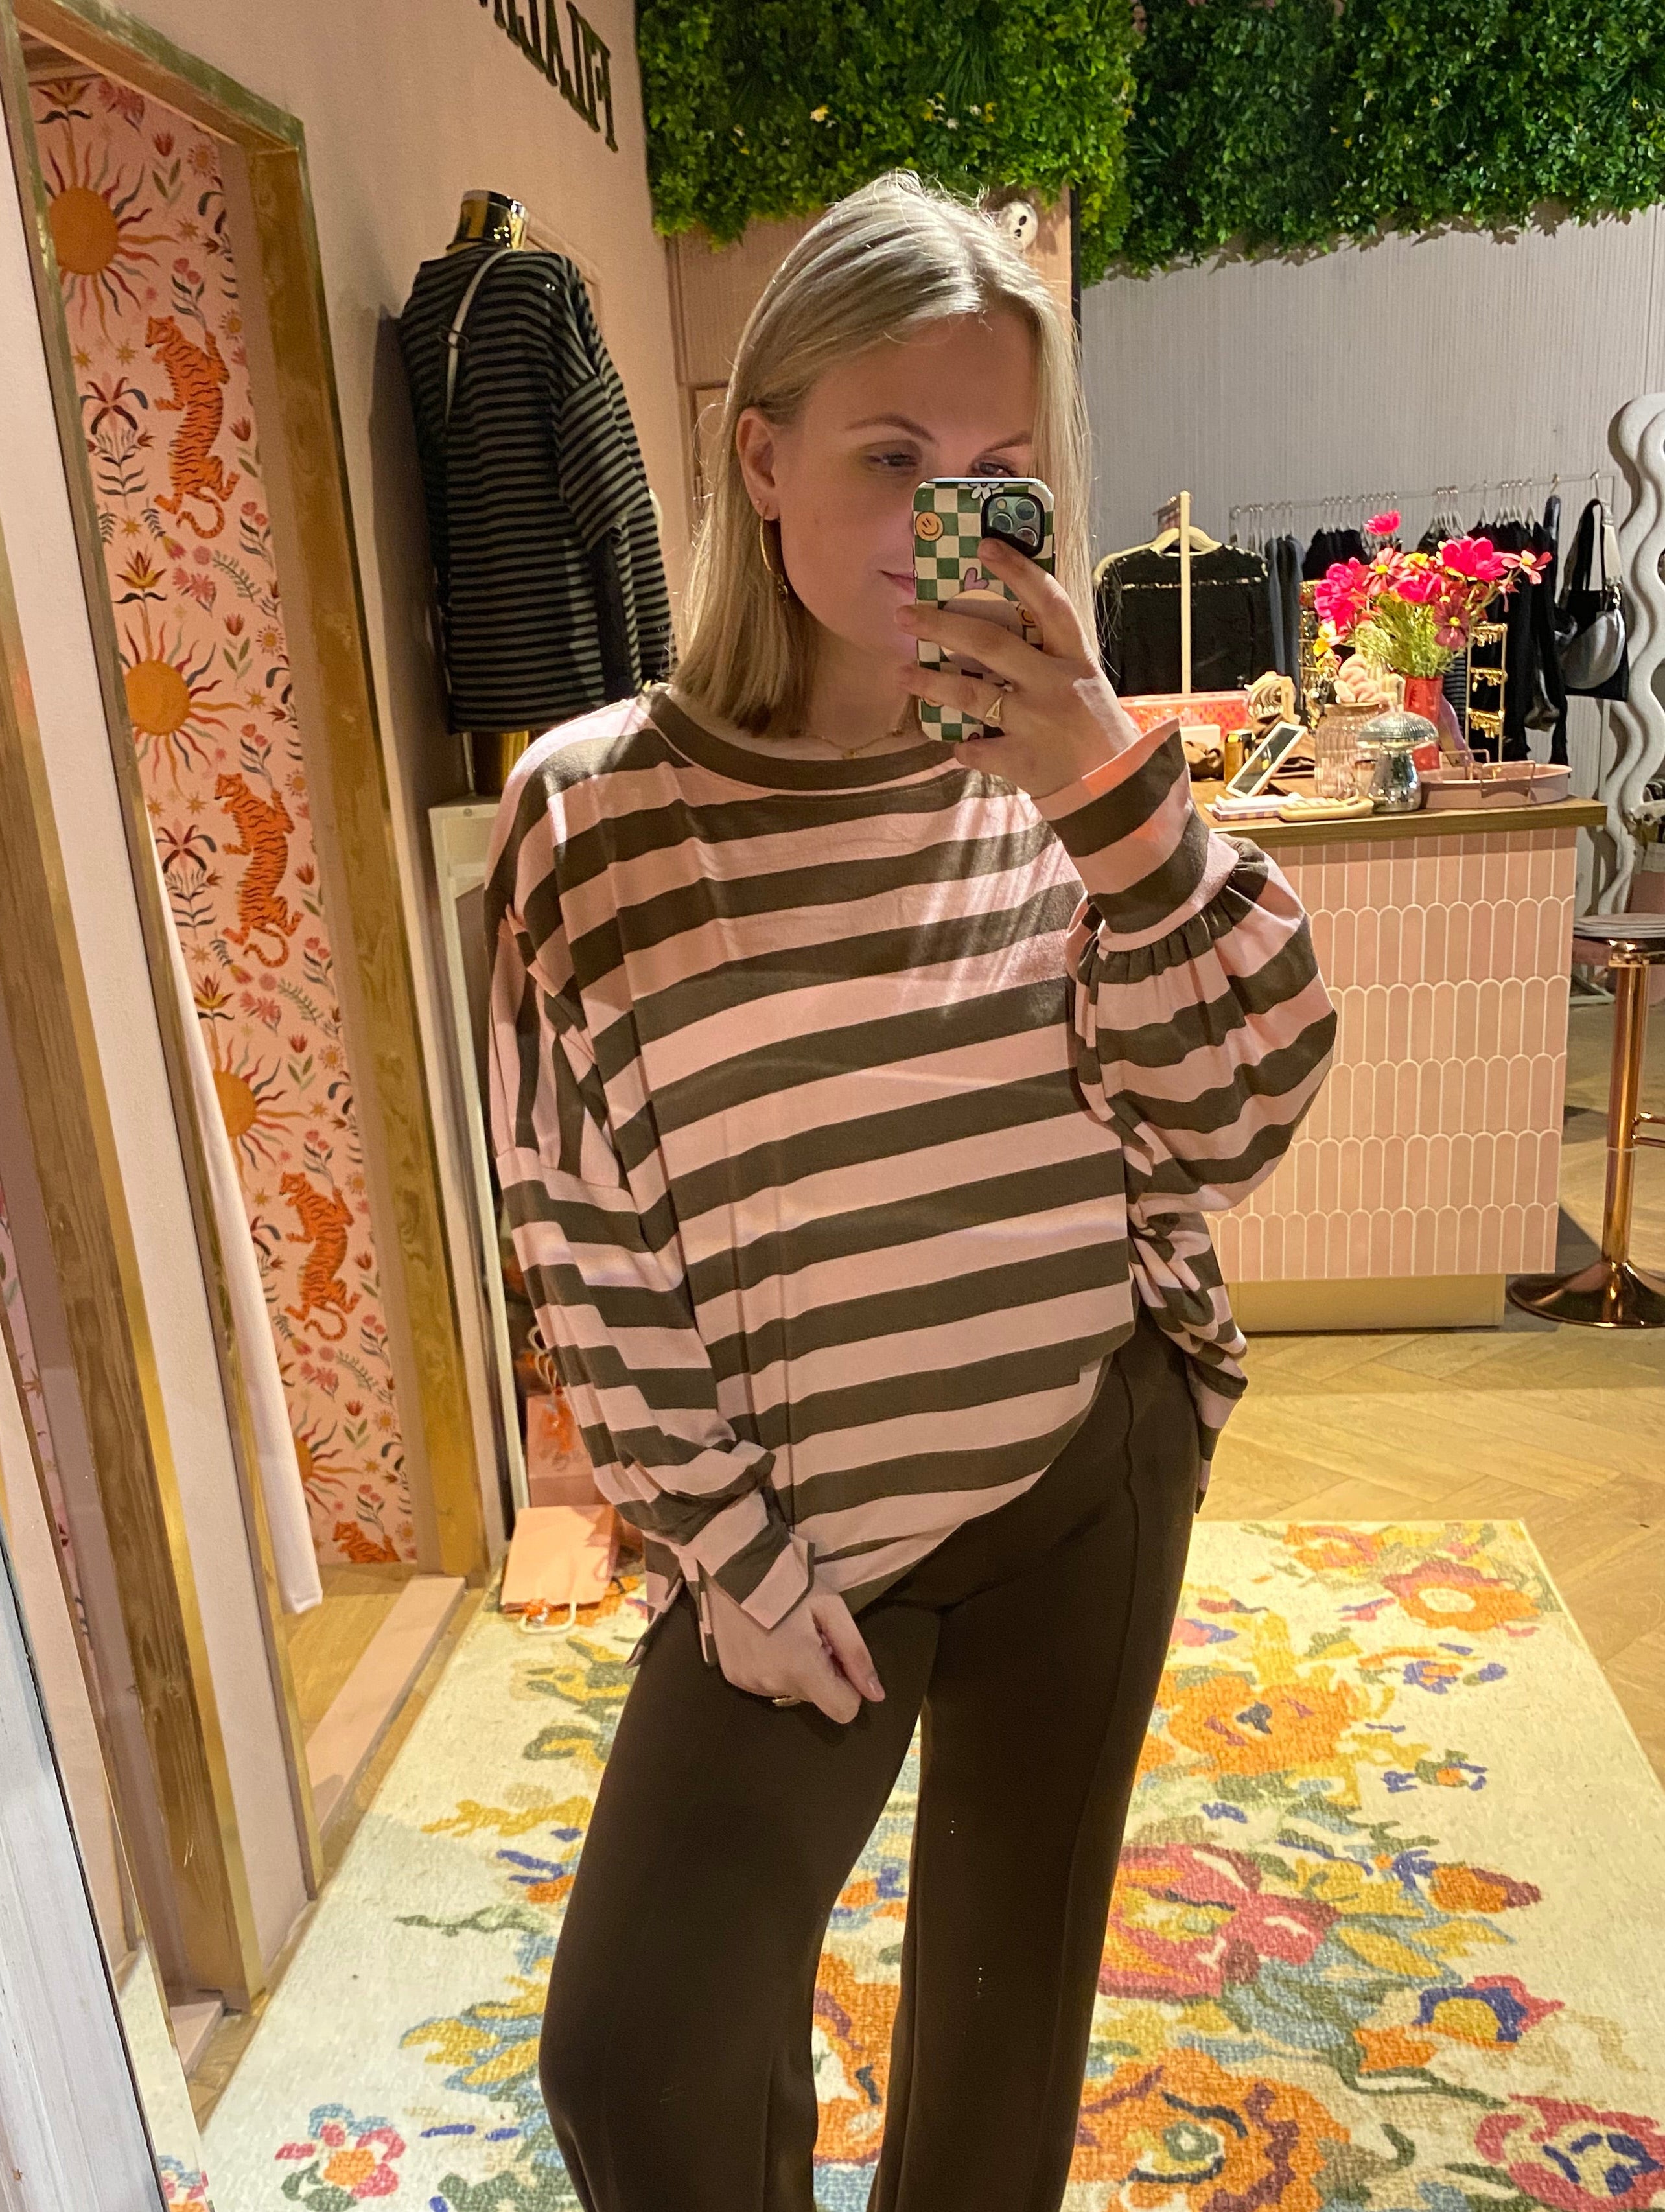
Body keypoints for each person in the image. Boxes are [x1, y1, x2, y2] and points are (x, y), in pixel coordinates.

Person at [485, 170, 1335, 2212]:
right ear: (758, 459)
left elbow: (1237, 1114)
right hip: (795, 1530)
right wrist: (730, 1554)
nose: (947, 516)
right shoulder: (590, 812)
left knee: (995, 2040)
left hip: (1078, 1468)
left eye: (997, 472)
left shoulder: (1062, 780)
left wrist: (1108, 792)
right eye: (889, 456)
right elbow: (579, 1226)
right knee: (639, 2058)